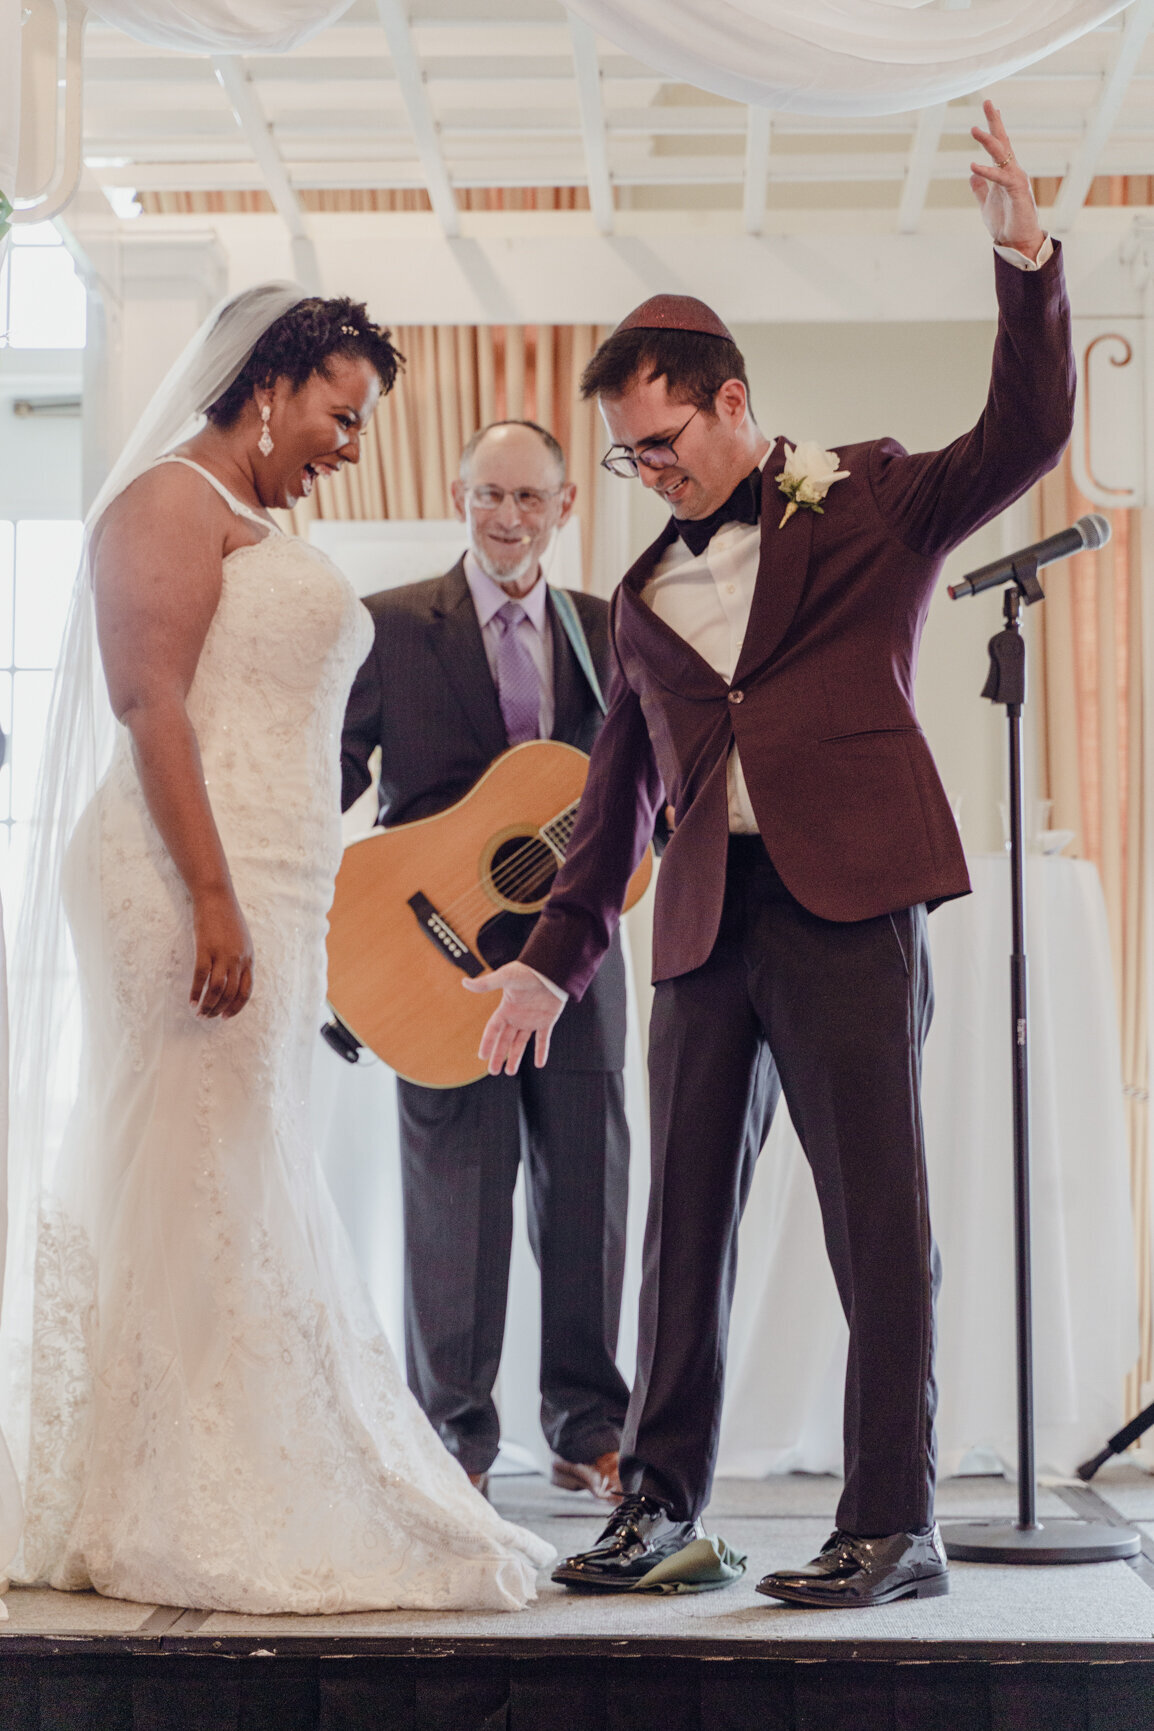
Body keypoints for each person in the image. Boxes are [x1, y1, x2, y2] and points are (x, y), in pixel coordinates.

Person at [466, 104, 1076, 1607]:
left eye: (660, 441)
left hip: (847, 905)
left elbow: (1026, 434)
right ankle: (661, 1509)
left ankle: (893, 1522)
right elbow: (611, 808)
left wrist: (1026, 263)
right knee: (677, 1231)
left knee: (880, 1218)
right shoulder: (634, 595)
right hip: (701, 927)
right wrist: (549, 968)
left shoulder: (869, 498)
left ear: (734, 404)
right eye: (623, 455)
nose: (644, 469)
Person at [7, 286, 552, 1614]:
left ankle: (163, 1458)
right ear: (272, 379)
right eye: (340, 413)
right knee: (212, 1158)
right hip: (184, 879)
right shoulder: (165, 503)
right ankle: (173, 1478)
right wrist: (211, 896)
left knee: (229, 1164)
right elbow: (150, 706)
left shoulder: (250, 518)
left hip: (276, 883)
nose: (351, 444)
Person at [340, 420, 631, 1504]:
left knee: (589, 1200)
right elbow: (333, 774)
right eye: (486, 495)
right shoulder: (386, 628)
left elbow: (647, 795)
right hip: (434, 964)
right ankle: (453, 1442)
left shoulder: (609, 632)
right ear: (459, 495)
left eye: (527, 498)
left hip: (576, 968)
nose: (505, 517)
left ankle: (588, 1429)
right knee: (453, 1206)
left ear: (563, 508)